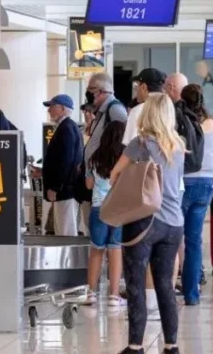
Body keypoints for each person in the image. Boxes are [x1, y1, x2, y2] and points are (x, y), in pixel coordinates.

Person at [111, 93, 185, 354]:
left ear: (148, 114)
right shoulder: (178, 144)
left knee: (136, 284)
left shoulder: (139, 143)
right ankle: (172, 346)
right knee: (165, 285)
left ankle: (135, 346)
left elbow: (115, 174)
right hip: (174, 223)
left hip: (145, 221)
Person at [178, 84, 213, 306]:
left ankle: (168, 288)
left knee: (173, 238)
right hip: (206, 184)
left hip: (182, 184)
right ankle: (192, 293)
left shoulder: (179, 123)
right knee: (194, 240)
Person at [84, 120, 125, 307]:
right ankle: (114, 295)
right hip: (118, 208)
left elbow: (88, 185)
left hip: (98, 207)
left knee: (96, 250)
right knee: (115, 249)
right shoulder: (126, 157)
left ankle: (91, 292)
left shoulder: (95, 157)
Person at [42, 94, 84, 237]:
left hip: (65, 190)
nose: (49, 111)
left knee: (65, 232)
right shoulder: (67, 127)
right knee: (63, 229)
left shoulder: (66, 129)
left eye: (51, 107)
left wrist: (55, 187)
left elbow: (66, 161)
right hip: (65, 189)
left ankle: (70, 260)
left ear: (62, 108)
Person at [123, 68, 166, 145]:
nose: (136, 90)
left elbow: (130, 146)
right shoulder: (170, 109)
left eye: (137, 85)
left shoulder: (138, 111)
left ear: (143, 87)